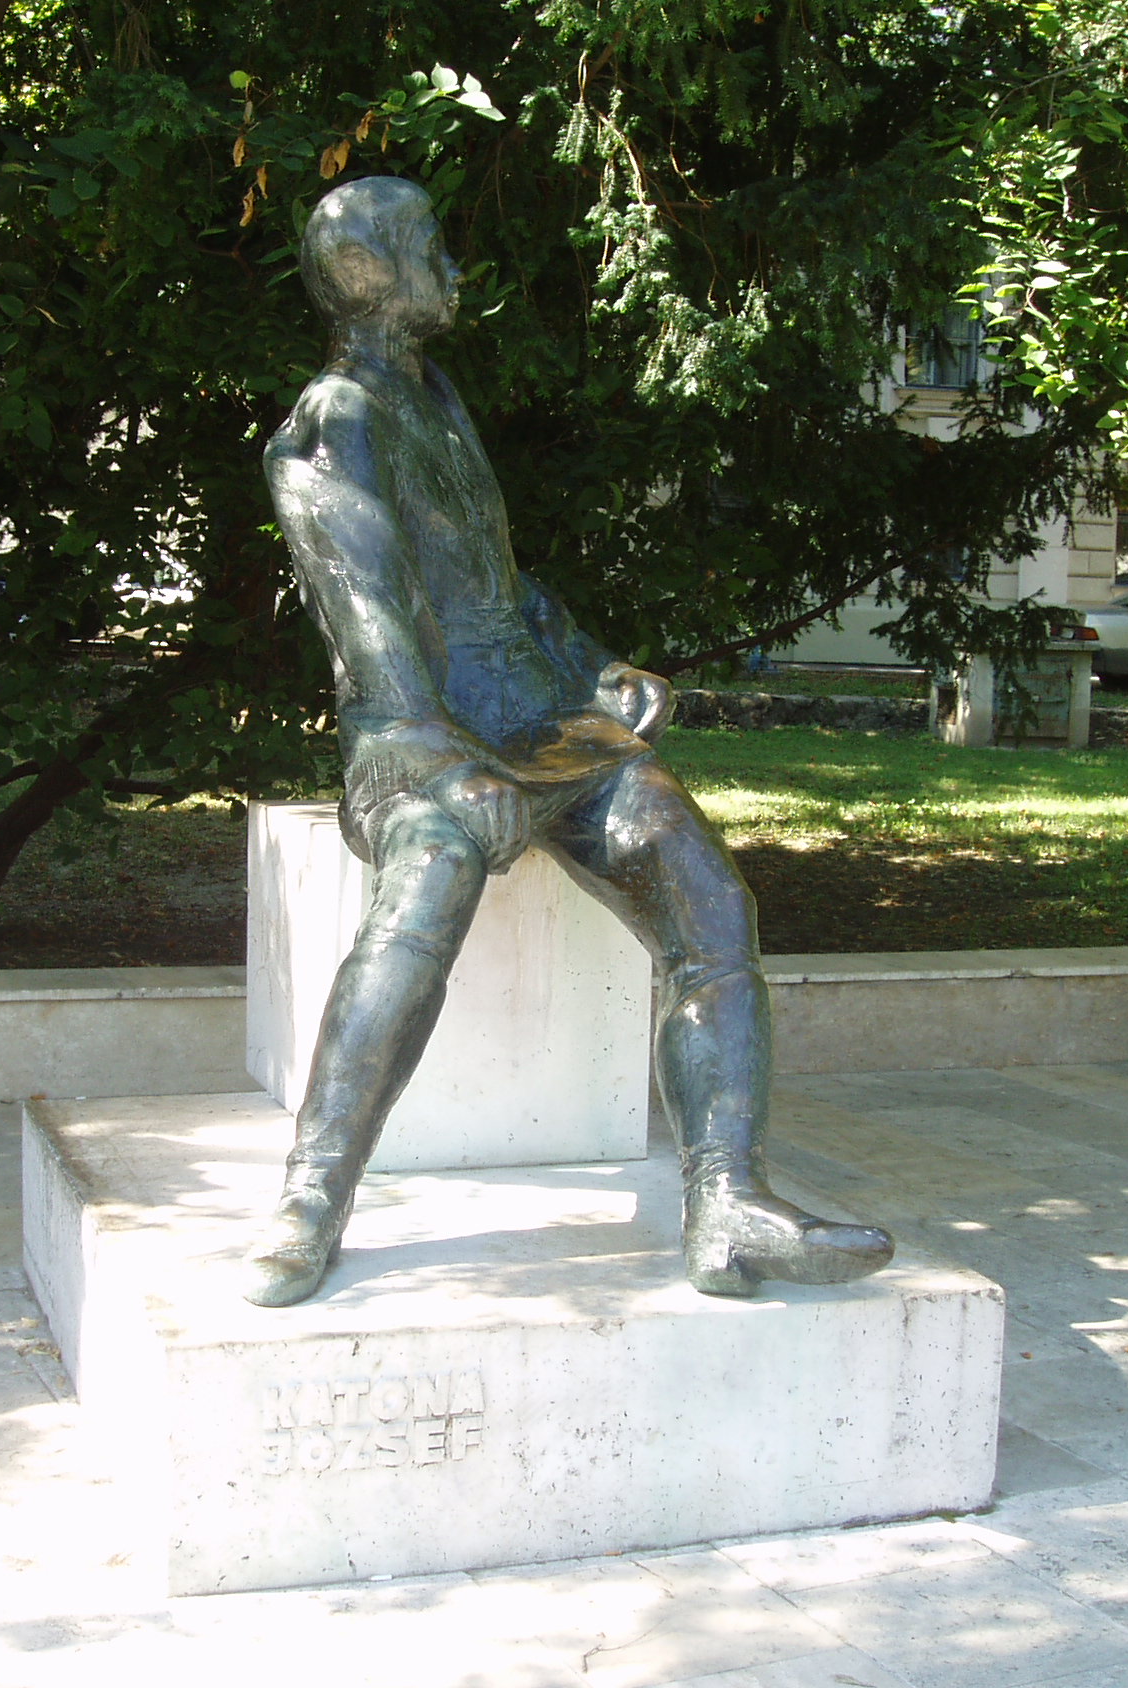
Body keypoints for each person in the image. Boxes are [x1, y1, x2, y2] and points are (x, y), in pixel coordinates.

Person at [245, 175, 893, 1307]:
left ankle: (728, 1197)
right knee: (426, 891)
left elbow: (497, 587)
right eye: (432, 247)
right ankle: (310, 1201)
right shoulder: (334, 419)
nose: (454, 268)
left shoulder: (433, 398)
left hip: (544, 726)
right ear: (370, 272)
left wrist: (596, 667)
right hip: (419, 739)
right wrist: (440, 759)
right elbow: (364, 611)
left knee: (709, 898)